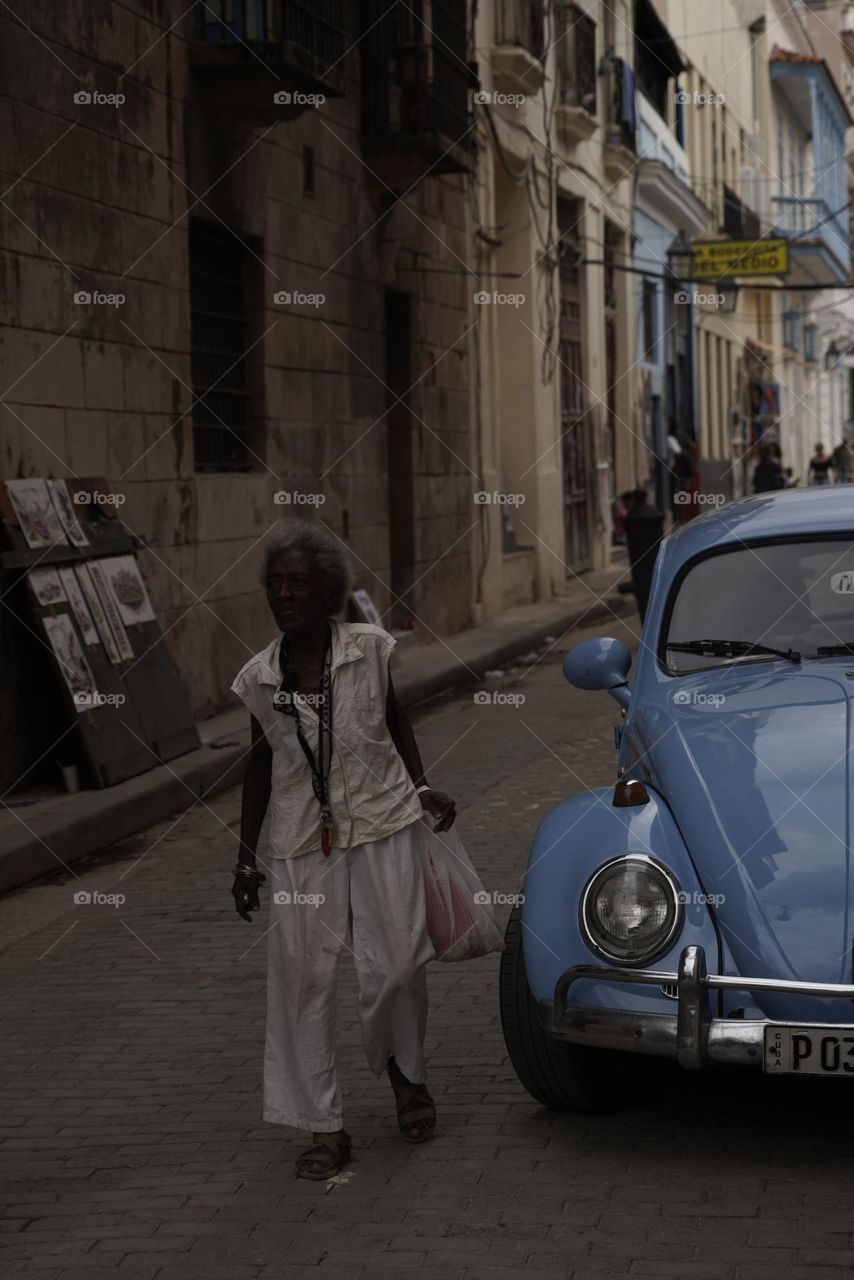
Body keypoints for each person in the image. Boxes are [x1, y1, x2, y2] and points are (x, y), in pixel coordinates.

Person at [230, 519, 459, 1180]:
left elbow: (394, 718)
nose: (285, 594)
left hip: (384, 822)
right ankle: (324, 1126)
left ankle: (405, 1075)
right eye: (276, 584)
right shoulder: (261, 677)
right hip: (303, 842)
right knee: (303, 983)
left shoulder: (368, 649)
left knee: (392, 968)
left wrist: (422, 786)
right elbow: (258, 764)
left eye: (298, 582)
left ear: (327, 589)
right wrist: (246, 859)